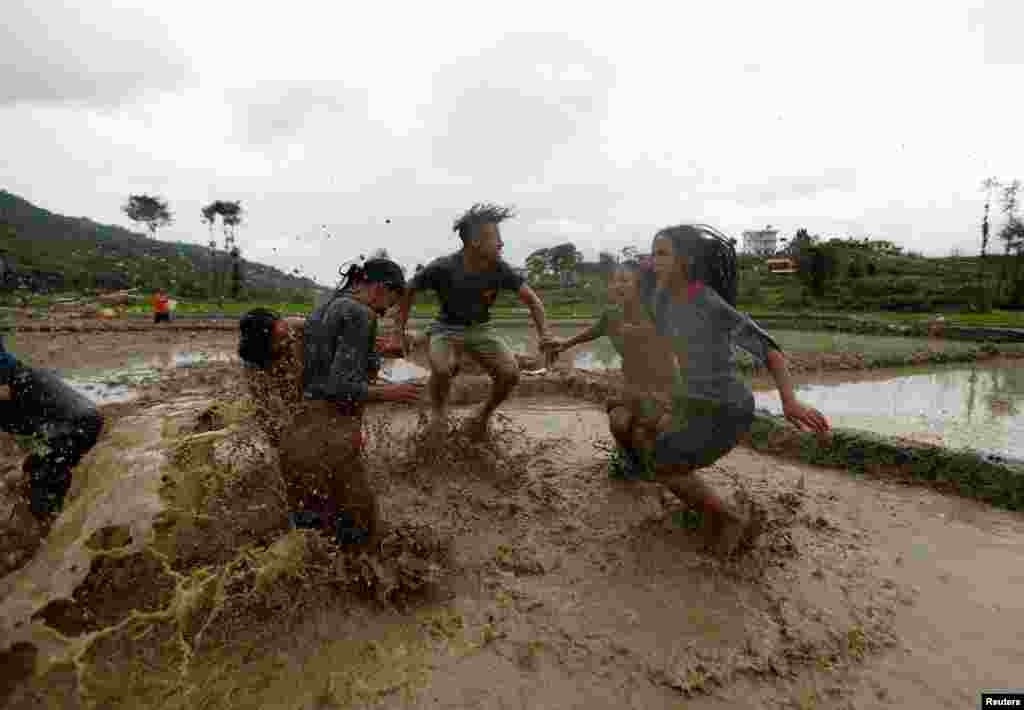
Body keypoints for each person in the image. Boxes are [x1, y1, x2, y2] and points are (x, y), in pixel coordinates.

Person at [626, 225, 831, 556]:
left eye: (662, 253)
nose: (653, 261)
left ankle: (730, 519)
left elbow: (769, 349)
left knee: (663, 464)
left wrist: (789, 402)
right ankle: (702, 507)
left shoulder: (706, 300)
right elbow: (670, 350)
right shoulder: (661, 299)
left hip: (726, 408)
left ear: (686, 260)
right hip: (694, 402)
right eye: (652, 253)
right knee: (647, 433)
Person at [278, 258, 424, 546]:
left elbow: (321, 373)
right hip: (329, 438)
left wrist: (372, 354)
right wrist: (392, 393)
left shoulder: (326, 307)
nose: (386, 312)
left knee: (308, 543)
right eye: (392, 302)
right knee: (363, 539)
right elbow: (340, 386)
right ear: (382, 288)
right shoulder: (360, 313)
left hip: (299, 434)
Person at [396, 203, 554, 440]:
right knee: (441, 369)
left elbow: (533, 301)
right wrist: (399, 330)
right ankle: (439, 414)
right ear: (475, 242)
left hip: (481, 329)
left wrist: (545, 336)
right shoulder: (443, 267)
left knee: (510, 374)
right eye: (496, 238)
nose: (502, 243)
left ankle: (483, 414)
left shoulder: (500, 269)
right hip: (445, 328)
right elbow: (409, 290)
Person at [546, 261, 677, 477]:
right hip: (632, 382)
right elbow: (594, 331)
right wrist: (565, 344)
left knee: (648, 432)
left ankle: (662, 472)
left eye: (625, 280)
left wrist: (644, 332)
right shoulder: (612, 314)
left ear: (639, 285)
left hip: (663, 384)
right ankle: (631, 463)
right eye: (615, 280)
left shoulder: (656, 311)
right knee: (619, 423)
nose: (618, 285)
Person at [0, 336, 104, 530]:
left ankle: (53, 536)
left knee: (42, 480)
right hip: (67, 420)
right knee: (40, 470)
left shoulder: (9, 378)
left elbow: (4, 389)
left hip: (73, 423)